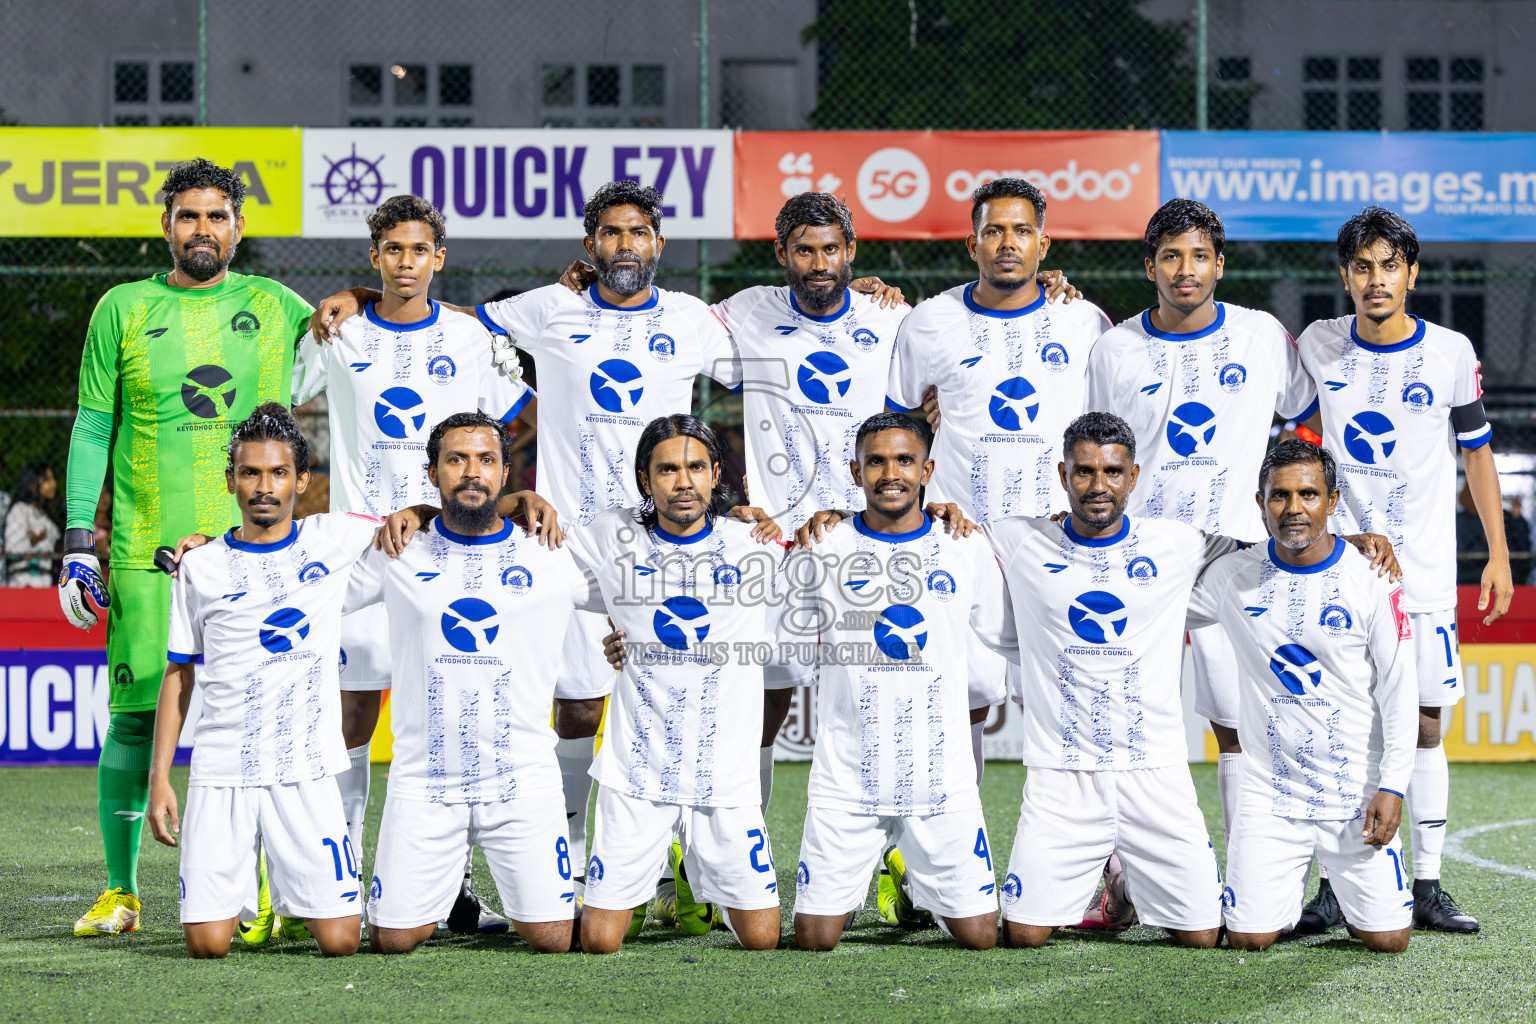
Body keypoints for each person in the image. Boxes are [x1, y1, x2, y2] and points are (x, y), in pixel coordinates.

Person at [310, 181, 741, 912]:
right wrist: (361, 293)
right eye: (609, 233)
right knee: (569, 708)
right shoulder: (546, 308)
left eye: (637, 233)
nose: (624, 245)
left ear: (657, 244)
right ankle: (556, 868)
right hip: (563, 543)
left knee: (683, 692)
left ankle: (681, 872)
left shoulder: (695, 320)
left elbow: (774, 353)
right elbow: (438, 311)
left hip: (664, 541)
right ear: (589, 245)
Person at [62, 159, 316, 938]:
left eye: (216, 216)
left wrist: (363, 296)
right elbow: (93, 425)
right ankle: (120, 891)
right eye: (188, 216)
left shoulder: (281, 307)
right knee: (136, 719)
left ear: (238, 227)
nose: (202, 229)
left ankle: (260, 897)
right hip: (147, 552)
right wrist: (78, 540)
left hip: (253, 556)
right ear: (166, 225)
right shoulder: (123, 308)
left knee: (261, 720)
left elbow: (368, 335)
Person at [290, 194, 538, 932]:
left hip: (449, 548)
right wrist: (348, 302)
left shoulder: (468, 336)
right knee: (354, 721)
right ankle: (337, 880)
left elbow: (507, 415)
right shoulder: (336, 331)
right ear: (374, 257)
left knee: (450, 719)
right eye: (391, 251)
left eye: (418, 250)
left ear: (439, 258)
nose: (405, 262)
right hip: (367, 550)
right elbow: (287, 389)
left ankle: (451, 890)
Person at [1290, 206, 1509, 934]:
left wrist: (1499, 553)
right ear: (1345, 276)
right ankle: (1335, 884)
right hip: (1337, 575)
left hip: (1423, 580)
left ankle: (1429, 882)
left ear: (1411, 274)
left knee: (1421, 725)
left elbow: (1476, 453)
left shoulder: (1448, 351)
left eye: (1389, 266)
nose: (1376, 279)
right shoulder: (1318, 346)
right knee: (1340, 724)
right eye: (1362, 267)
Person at [1084, 198, 1317, 853]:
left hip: (1235, 557)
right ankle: (1121, 879)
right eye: (1170, 256)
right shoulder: (1114, 350)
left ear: (1220, 263)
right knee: (1128, 721)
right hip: (1142, 560)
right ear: (1149, 266)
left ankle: (1246, 869)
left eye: (1198, 256)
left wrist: (1292, 503)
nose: (1185, 270)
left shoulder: (1262, 336)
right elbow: (1091, 452)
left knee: (1239, 722)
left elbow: (1308, 419)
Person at [883, 178, 1113, 794]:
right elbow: (897, 431)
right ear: (971, 243)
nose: (1006, 243)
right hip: (962, 540)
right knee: (965, 704)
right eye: (993, 231)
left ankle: (1100, 874)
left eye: (1021, 231)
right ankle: (954, 869)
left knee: (1075, 706)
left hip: (1059, 542)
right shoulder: (929, 322)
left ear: (1043, 244)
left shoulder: (1084, 320)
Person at [981, 412, 1230, 949]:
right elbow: (942, 535)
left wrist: (1355, 539)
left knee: (1204, 938)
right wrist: (941, 508)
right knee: (1023, 935)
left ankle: (1126, 886)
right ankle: (1118, 876)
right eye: (1084, 472)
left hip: (1155, 770)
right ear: (1062, 474)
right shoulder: (1018, 538)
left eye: (1113, 472)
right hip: (1062, 773)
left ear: (1134, 476)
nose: (1099, 486)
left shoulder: (1178, 543)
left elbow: (1270, 547)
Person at [346, 412, 577, 955]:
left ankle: (476, 887)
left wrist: (735, 523)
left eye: (485, 460)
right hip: (426, 780)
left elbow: (639, 582)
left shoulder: (548, 548)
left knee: (553, 939)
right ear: (432, 473)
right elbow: (299, 578)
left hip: (521, 777)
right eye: (456, 460)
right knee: (393, 940)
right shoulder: (397, 549)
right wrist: (215, 548)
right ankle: (447, 886)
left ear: (505, 475)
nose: (471, 472)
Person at [145, 405, 371, 958]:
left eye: (277, 473)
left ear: (301, 480)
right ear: (230, 481)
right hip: (223, 768)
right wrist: (159, 780)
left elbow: (420, 519)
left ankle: (285, 881)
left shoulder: (335, 538)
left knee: (341, 942)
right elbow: (178, 674)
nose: (264, 487)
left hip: (305, 767)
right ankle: (260, 881)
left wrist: (514, 501)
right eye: (250, 473)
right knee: (206, 946)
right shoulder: (198, 567)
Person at [779, 413, 1005, 951]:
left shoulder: (965, 544)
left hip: (939, 776)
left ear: (927, 469)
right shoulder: (823, 546)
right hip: (848, 774)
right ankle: (886, 864)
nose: (890, 473)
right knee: (814, 939)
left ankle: (909, 875)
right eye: (875, 461)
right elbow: (760, 621)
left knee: (980, 938)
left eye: (904, 460)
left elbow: (1011, 634)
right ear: (855, 473)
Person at [567, 414, 784, 953]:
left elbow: (859, 535)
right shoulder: (611, 537)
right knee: (598, 942)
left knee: (762, 940)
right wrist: (512, 502)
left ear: (715, 474)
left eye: (694, 467)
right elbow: (524, 550)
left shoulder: (755, 543)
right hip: (637, 772)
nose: (682, 481)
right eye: (666, 470)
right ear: (646, 480)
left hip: (723, 775)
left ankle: (690, 872)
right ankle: (656, 874)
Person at [1188, 440, 1415, 953]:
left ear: (1333, 502)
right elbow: (1149, 604)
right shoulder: (1231, 578)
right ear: (1260, 502)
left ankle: (1357, 902)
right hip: (1270, 795)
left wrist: (1393, 787)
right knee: (1249, 938)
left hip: (1354, 793)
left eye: (1308, 494)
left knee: (1388, 940)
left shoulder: (1373, 578)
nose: (1294, 509)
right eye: (1279, 496)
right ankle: (1284, 897)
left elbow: (1401, 689)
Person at [4, 464, 60, 587]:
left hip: (45, 584)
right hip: (22, 583)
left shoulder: (46, 517)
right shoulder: (19, 510)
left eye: (53, 479)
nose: (53, 484)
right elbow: (11, 549)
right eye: (47, 480)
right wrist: (33, 542)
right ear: (32, 484)